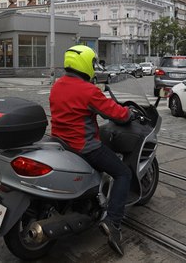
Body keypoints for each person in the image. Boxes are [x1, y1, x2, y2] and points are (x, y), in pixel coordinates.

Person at [49, 45, 132, 256]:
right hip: (84, 146)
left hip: (60, 142)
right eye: (93, 63)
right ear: (86, 64)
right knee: (123, 173)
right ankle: (113, 222)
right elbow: (117, 114)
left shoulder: (57, 85)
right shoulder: (88, 90)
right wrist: (129, 113)